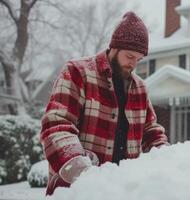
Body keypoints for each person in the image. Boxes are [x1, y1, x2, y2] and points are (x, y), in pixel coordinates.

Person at [40, 11, 169, 195]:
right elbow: (57, 124)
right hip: (76, 191)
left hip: (122, 191)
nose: (133, 65)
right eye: (129, 56)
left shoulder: (140, 88)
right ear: (114, 48)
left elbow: (151, 132)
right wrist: (79, 168)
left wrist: (166, 156)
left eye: (139, 60)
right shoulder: (78, 72)